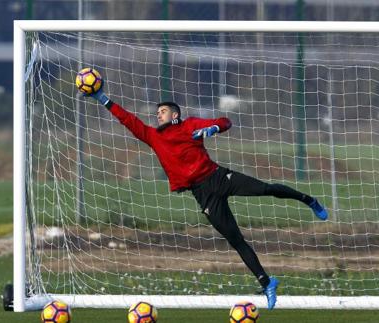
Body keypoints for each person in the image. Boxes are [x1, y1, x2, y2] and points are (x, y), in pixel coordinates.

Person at [84, 85, 328, 310]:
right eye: (157, 112)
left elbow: (225, 121)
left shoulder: (190, 125)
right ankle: (267, 282)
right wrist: (101, 98)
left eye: (163, 111)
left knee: (267, 189)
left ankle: (308, 200)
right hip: (202, 195)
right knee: (235, 240)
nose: (158, 115)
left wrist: (213, 128)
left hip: (219, 177)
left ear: (175, 115)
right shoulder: (153, 136)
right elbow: (127, 119)